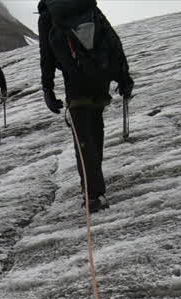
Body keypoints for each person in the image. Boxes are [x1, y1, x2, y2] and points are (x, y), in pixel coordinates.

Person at [38, 0, 133, 212]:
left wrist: (48, 89)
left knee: (83, 140)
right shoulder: (87, 5)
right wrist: (124, 77)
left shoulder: (48, 15)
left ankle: (92, 195)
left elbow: (46, 55)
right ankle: (95, 190)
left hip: (75, 83)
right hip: (100, 78)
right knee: (95, 132)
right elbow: (112, 40)